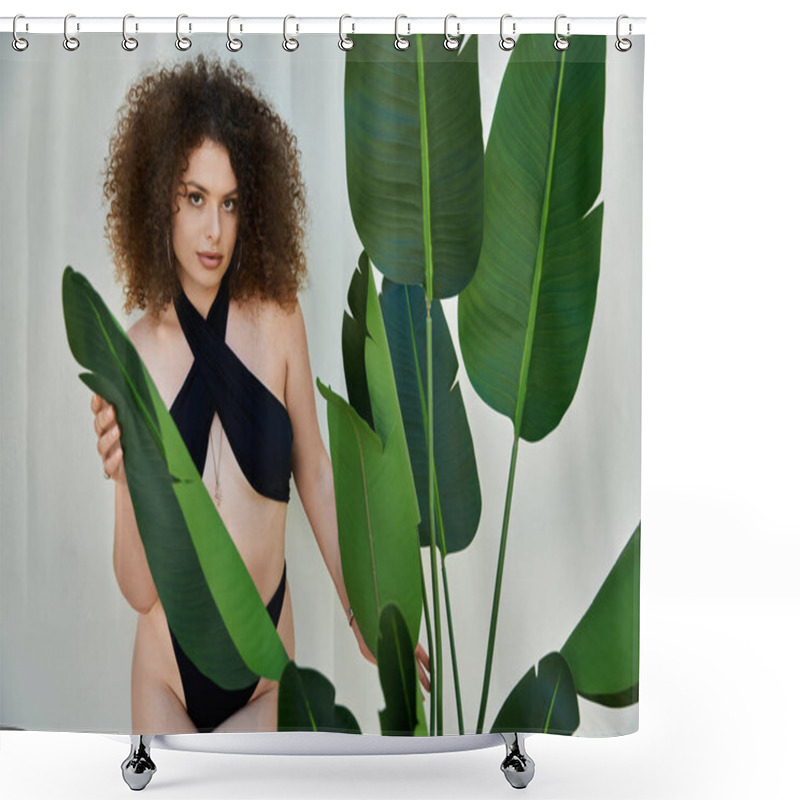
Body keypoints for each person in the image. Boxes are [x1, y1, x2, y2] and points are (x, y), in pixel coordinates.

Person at [91, 54, 430, 734]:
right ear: (160, 196)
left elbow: (316, 473)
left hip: (266, 673)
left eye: (231, 202)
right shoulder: (133, 351)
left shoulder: (278, 318)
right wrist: (128, 477)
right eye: (194, 198)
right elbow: (137, 588)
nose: (213, 230)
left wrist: (360, 606)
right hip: (166, 670)